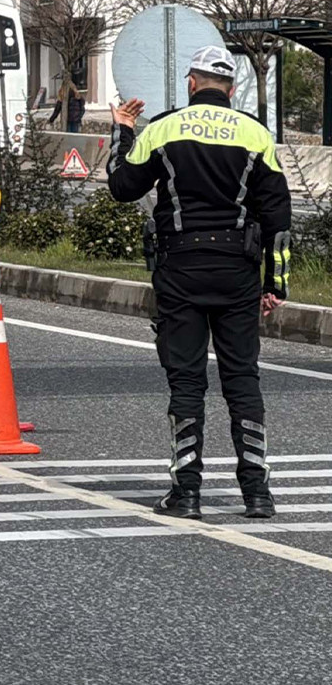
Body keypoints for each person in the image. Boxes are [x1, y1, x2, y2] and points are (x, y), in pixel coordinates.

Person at [106, 46, 292, 521]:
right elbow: (278, 218)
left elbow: (122, 186)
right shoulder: (255, 133)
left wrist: (121, 131)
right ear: (230, 88)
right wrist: (276, 284)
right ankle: (257, 493)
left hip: (180, 267)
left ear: (193, 83)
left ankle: (186, 493)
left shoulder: (164, 127)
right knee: (242, 379)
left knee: (187, 381)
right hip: (238, 270)